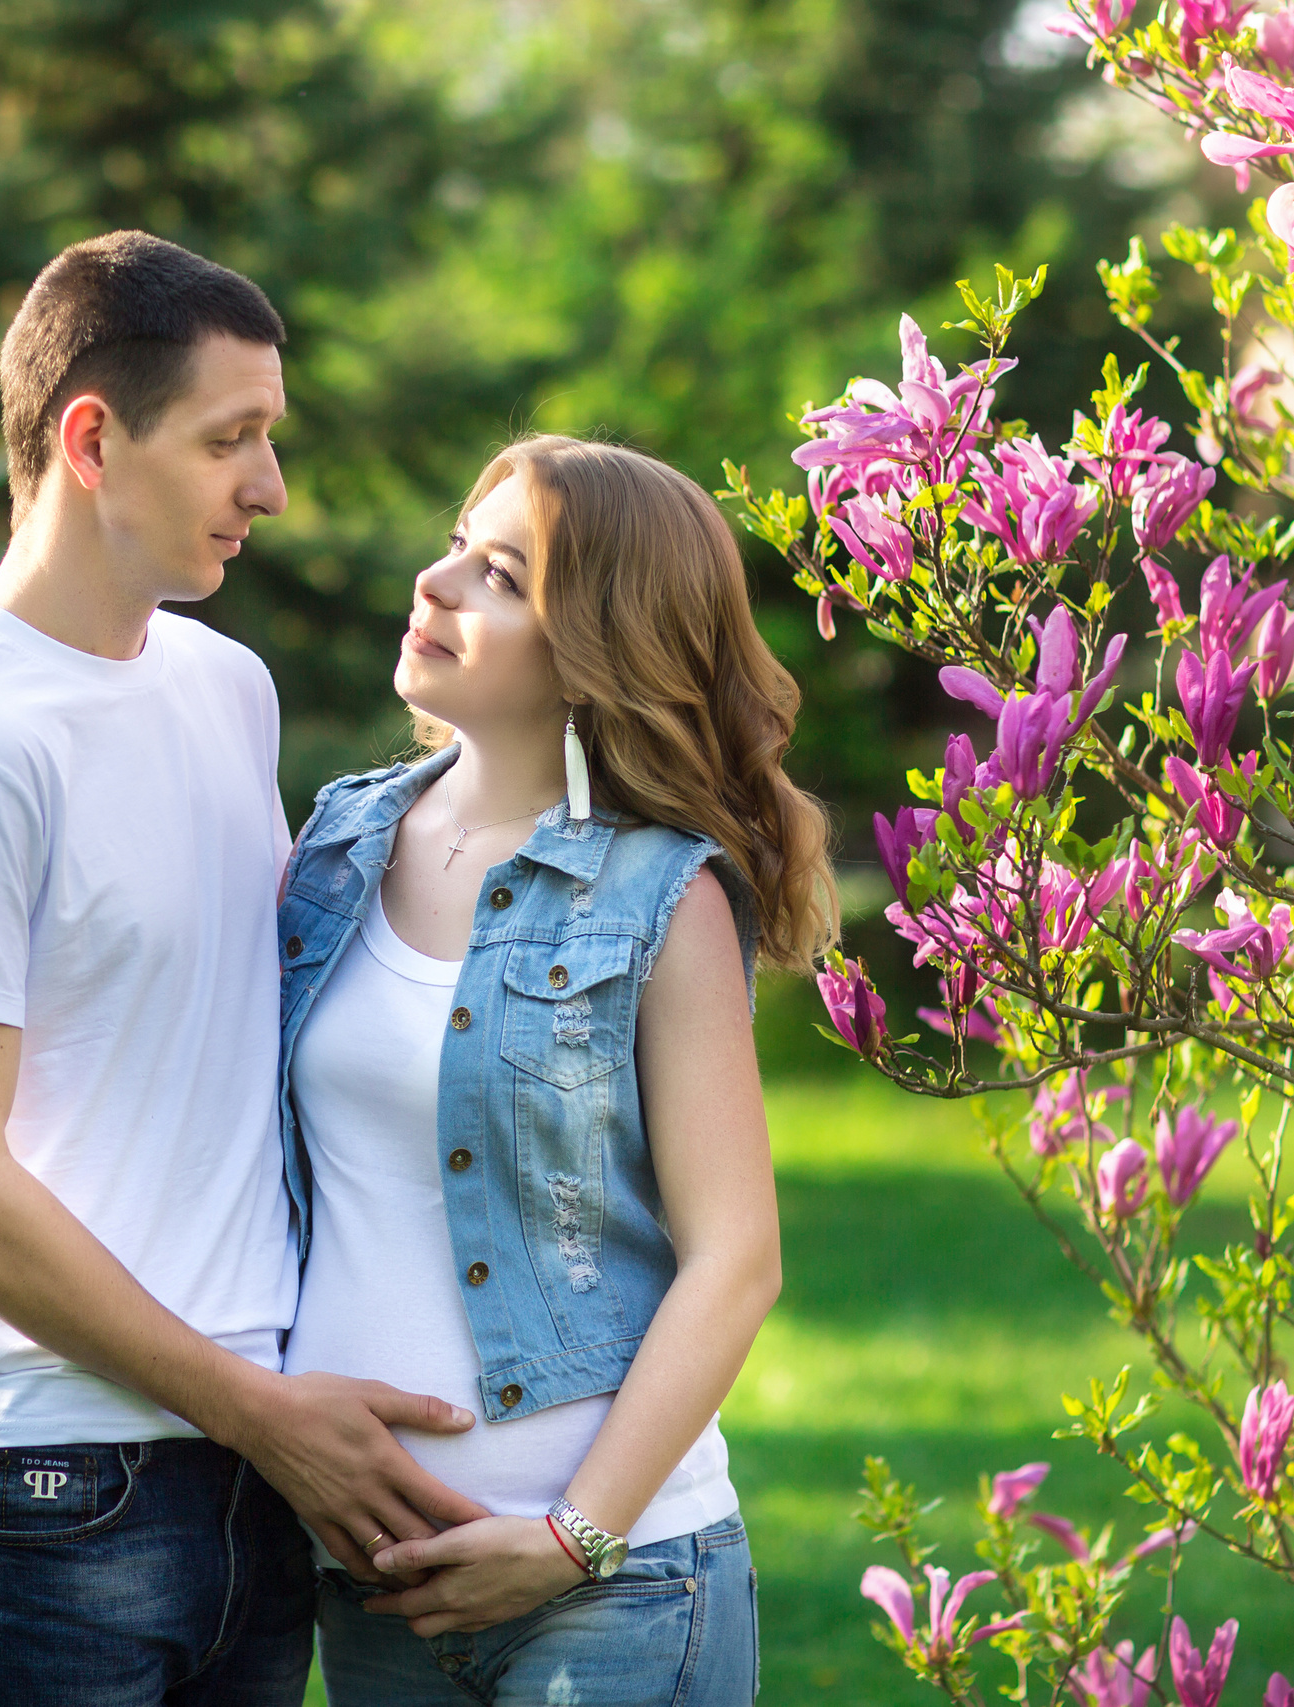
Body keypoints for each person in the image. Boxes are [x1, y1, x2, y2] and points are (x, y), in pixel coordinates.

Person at [0, 230, 487, 1707]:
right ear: (91, 439)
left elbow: (194, 1041)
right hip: (54, 1492)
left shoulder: (223, 685)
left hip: (253, 1478)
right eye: (231, 439)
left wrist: (263, 1420)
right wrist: (259, 1409)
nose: (269, 486)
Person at [275, 434, 834, 1702]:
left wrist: (572, 1539)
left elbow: (736, 1259)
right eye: (458, 545)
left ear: (599, 647)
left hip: (611, 1594)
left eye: (503, 576)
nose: (436, 583)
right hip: (378, 1589)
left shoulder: (659, 895)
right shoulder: (334, 842)